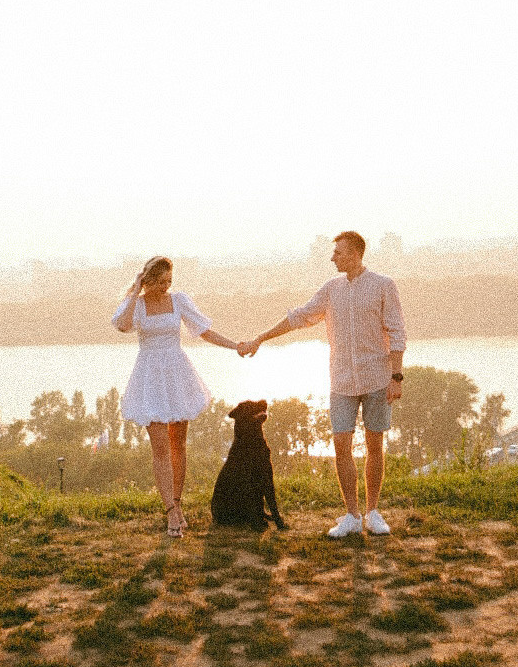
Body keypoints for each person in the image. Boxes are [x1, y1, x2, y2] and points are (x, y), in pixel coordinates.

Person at [240, 230, 406, 537]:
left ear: (355, 253)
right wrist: (261, 338)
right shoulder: (331, 289)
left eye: (338, 252)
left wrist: (396, 377)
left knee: (375, 445)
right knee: (341, 445)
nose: (333, 258)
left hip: (377, 377)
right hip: (341, 380)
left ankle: (373, 513)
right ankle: (352, 515)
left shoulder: (383, 285)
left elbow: (397, 332)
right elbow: (299, 317)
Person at [112, 255, 241, 537]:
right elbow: (122, 325)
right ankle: (170, 511)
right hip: (150, 376)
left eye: (169, 281)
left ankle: (177, 504)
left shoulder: (179, 300)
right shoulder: (137, 304)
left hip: (177, 374)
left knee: (178, 444)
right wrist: (135, 290)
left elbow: (204, 331)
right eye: (160, 281)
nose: (165, 286)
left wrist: (235, 346)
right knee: (160, 447)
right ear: (148, 280)